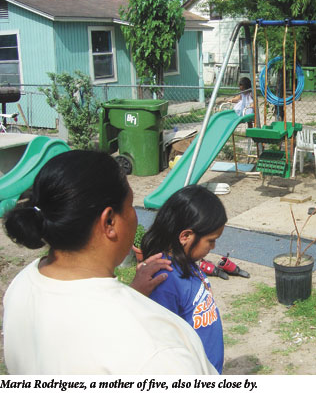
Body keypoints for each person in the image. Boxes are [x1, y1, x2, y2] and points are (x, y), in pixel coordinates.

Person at [2, 150, 217, 375]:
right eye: (131, 205)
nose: (135, 216)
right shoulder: (157, 347)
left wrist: (133, 294)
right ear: (110, 222)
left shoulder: (21, 285)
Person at [142, 185, 227, 374]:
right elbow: (163, 343)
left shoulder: (187, 262)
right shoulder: (164, 279)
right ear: (186, 236)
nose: (213, 247)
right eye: (211, 240)